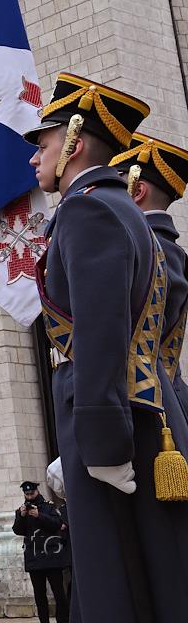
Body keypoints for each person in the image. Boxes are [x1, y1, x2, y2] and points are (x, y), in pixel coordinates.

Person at [27, 72, 188, 623]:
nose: (35, 158)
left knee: (115, 585)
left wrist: (101, 442)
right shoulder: (119, 209)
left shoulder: (87, 210)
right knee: (150, 578)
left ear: (74, 140)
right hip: (140, 409)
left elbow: (100, 333)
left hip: (114, 419)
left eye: (43, 144)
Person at [111, 132, 188, 418]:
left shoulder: (152, 248)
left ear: (136, 191)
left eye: (113, 184)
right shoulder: (166, 247)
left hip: (147, 404)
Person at [12, 481, 70, 623]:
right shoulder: (21, 511)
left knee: (58, 592)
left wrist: (39, 516)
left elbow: (57, 524)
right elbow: (17, 530)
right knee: (39, 594)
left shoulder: (48, 507)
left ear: (37, 492)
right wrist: (22, 516)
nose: (30, 496)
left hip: (51, 555)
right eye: (27, 494)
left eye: (32, 493)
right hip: (34, 557)